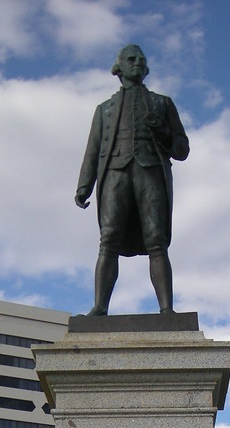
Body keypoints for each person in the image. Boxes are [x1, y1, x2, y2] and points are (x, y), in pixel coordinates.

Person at [75, 44, 189, 316]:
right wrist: (84, 185)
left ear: (146, 68)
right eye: (131, 58)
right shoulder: (105, 109)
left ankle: (166, 310)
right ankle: (100, 307)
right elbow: (92, 150)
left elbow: (182, 149)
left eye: (141, 59)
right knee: (108, 239)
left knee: (156, 239)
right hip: (115, 172)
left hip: (150, 171)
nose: (137, 62)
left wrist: (160, 129)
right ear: (119, 68)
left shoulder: (163, 103)